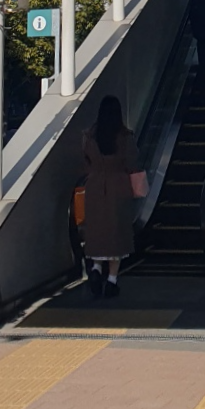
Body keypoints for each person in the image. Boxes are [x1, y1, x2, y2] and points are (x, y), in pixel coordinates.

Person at [81, 95, 142, 299]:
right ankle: (112, 281)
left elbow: (86, 161)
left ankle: (96, 268)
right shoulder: (124, 137)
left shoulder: (90, 136)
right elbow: (132, 162)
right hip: (118, 186)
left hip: (95, 185)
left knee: (97, 230)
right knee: (117, 233)